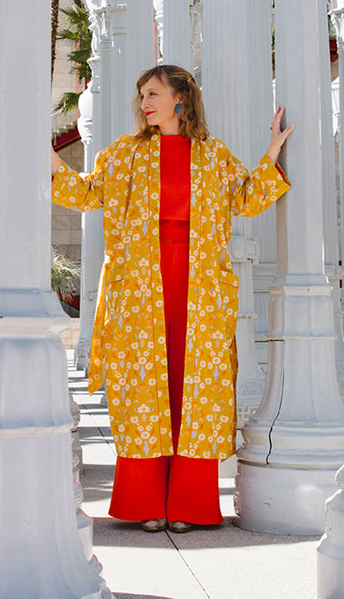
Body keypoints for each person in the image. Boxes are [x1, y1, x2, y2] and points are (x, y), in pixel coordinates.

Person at [50, 64, 292, 533]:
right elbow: (87, 193)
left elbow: (246, 198)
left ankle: (190, 504)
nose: (145, 102)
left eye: (154, 93)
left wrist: (273, 152)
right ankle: (146, 502)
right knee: (146, 391)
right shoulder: (124, 153)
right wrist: (51, 160)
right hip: (141, 291)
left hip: (199, 291)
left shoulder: (213, 156)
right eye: (142, 94)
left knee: (193, 392)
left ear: (181, 97)